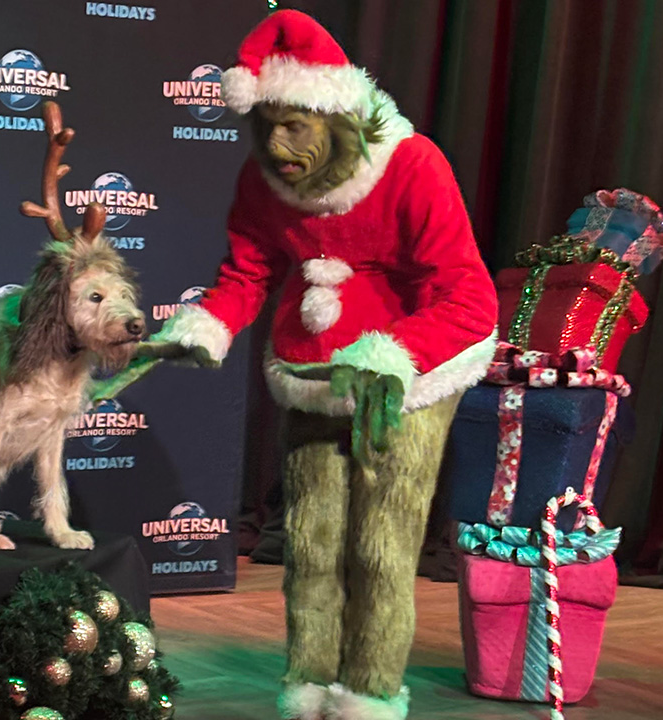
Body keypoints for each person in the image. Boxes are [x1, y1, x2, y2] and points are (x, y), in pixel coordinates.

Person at [150, 10, 498, 719]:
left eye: (295, 128)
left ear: (334, 116)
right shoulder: (262, 183)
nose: (278, 147)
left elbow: (469, 297)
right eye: (266, 126)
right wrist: (206, 326)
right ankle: (308, 686)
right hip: (310, 373)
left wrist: (394, 358)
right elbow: (246, 271)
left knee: (379, 547)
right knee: (309, 545)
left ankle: (369, 693)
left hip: (405, 379)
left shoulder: (412, 165)